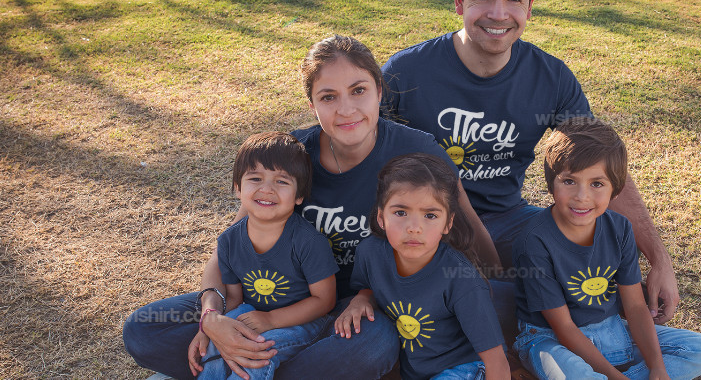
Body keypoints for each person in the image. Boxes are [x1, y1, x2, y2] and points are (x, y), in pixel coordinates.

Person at [123, 35, 499, 380]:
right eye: (329, 96)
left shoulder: (418, 151)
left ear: (379, 92)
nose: (347, 109)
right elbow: (232, 242)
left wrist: (501, 296)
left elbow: (467, 226)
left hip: (357, 307)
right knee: (143, 330)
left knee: (376, 345)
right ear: (312, 103)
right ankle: (248, 357)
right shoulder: (292, 157)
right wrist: (212, 318)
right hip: (274, 300)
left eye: (358, 90)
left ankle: (242, 362)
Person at [381, 0, 681, 324]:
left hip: (510, 221)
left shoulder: (550, 78)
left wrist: (659, 259)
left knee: (598, 275)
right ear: (459, 0)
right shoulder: (405, 73)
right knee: (452, 296)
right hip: (427, 221)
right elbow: (364, 163)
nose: (498, 13)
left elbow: (600, 167)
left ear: (530, 5)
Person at [512, 117, 701, 379]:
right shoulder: (534, 241)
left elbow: (636, 307)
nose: (582, 196)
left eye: (597, 184)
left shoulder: (620, 228)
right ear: (551, 184)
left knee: (699, 349)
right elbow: (563, 326)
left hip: (610, 331)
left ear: (615, 190)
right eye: (569, 181)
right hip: (551, 340)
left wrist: (657, 368)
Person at [335, 153, 510, 380]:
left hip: (464, 368)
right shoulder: (371, 252)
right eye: (400, 213)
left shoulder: (460, 278)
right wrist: (361, 299)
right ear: (380, 217)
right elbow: (368, 287)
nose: (414, 227)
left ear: (448, 223)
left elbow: (497, 363)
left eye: (430, 215)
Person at [192, 132, 338, 380]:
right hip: (252, 314)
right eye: (255, 178)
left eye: (282, 182)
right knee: (215, 347)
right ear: (238, 188)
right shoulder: (229, 241)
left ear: (299, 195)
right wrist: (212, 327)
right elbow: (235, 298)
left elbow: (325, 301)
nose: (267, 189)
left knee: (257, 351)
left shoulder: (309, 242)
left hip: (304, 322)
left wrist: (271, 319)